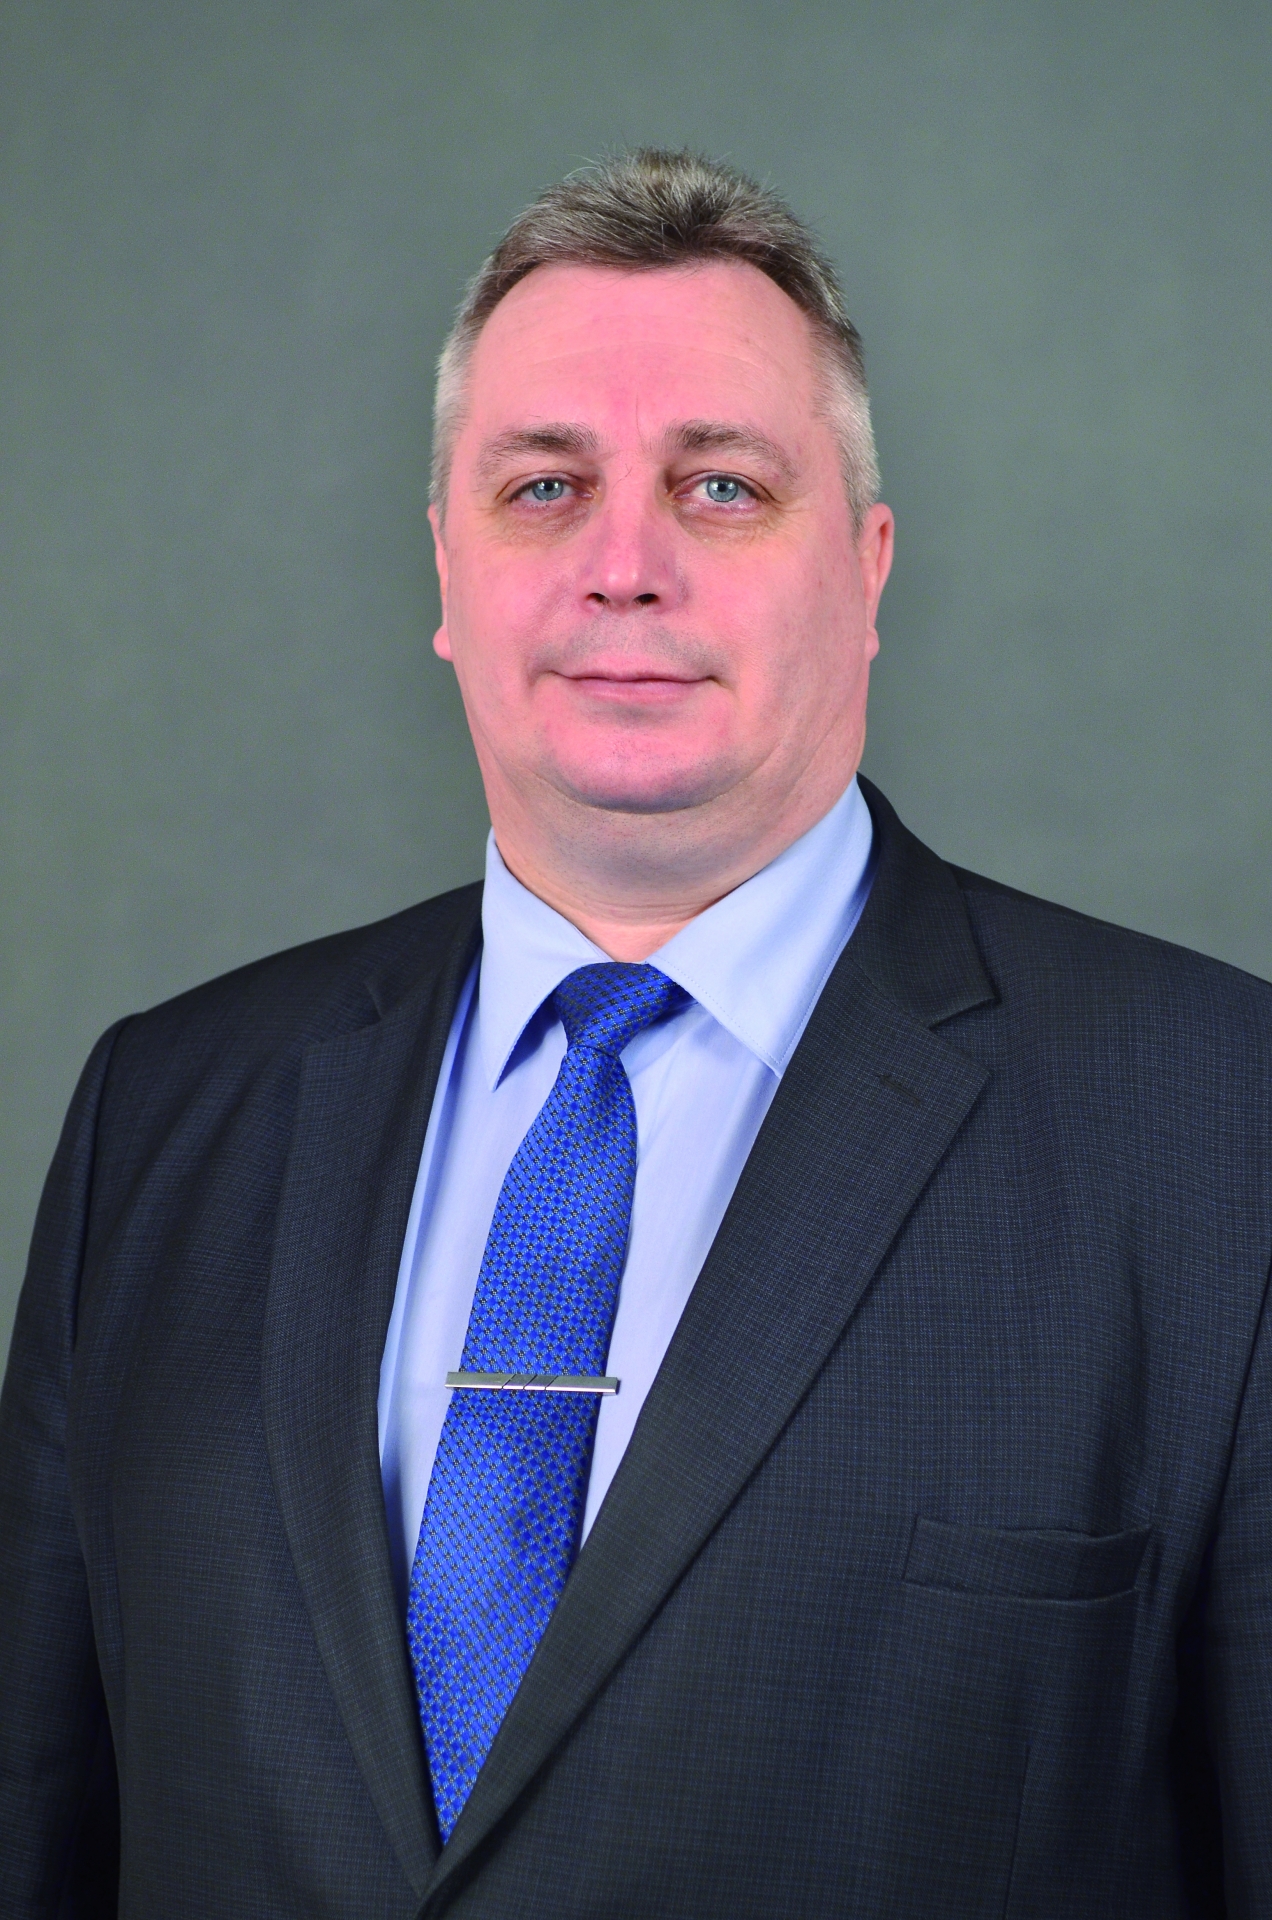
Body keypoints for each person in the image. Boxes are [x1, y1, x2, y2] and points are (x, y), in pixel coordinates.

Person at [1, 148, 1269, 1920]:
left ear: (869, 569)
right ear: (446, 570)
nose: (623, 566)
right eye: (543, 487)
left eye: (722, 487)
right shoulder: (164, 1116)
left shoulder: (1221, 1129)